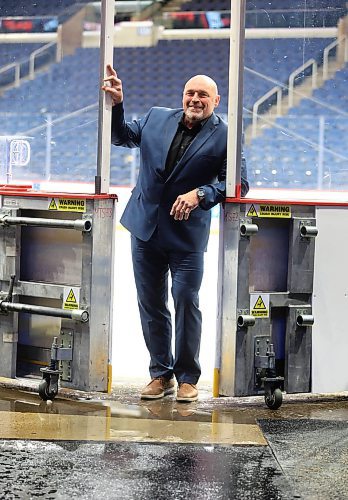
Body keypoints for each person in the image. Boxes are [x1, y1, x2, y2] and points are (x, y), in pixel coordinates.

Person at [102, 64, 249, 402]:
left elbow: (237, 182)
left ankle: (187, 378)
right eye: (190, 93)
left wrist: (202, 194)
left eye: (203, 95)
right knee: (151, 304)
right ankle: (160, 374)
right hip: (145, 230)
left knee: (186, 301)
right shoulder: (156, 117)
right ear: (183, 96)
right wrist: (118, 104)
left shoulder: (226, 134)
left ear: (216, 100)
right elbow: (121, 135)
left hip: (186, 237)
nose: (195, 99)